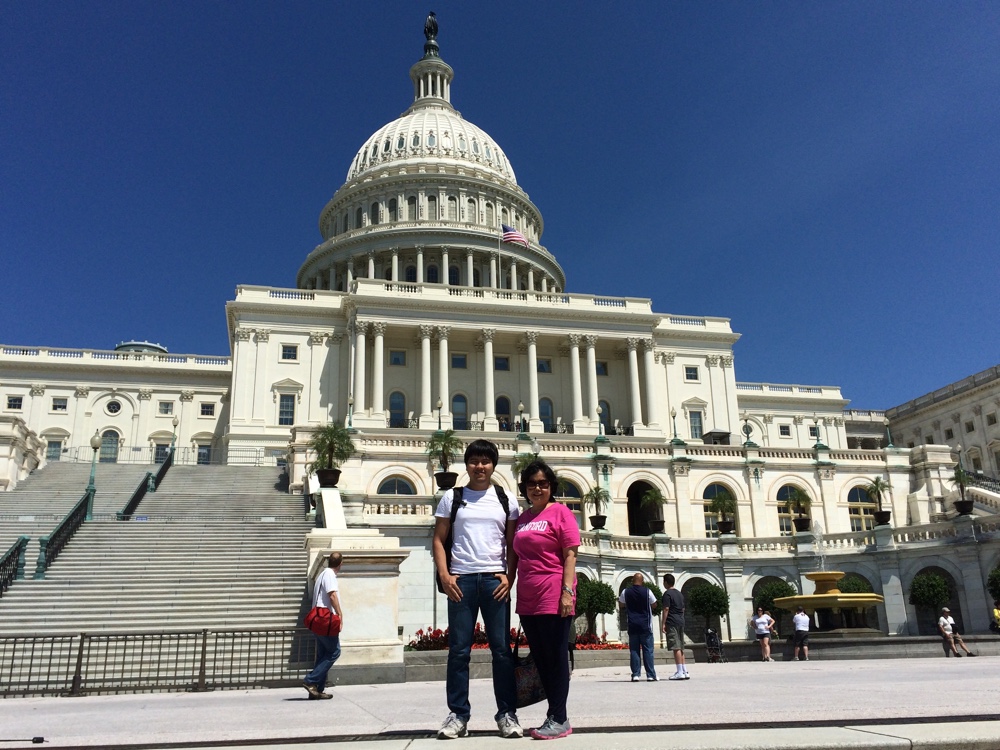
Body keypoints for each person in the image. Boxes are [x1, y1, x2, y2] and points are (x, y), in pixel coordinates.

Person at [433, 439, 521, 739]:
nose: (480, 466)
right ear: (467, 464)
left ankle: (507, 714)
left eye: (485, 461)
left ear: (494, 465)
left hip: (495, 581)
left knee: (501, 651)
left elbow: (512, 544)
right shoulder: (453, 497)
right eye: (474, 461)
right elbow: (438, 539)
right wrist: (445, 576)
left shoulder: (506, 498)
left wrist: (510, 576)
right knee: (458, 651)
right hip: (462, 581)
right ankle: (458, 714)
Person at [509, 460, 580, 740]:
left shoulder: (561, 512)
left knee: (555, 657)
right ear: (525, 488)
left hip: (553, 592)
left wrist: (567, 592)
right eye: (532, 484)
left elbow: (571, 555)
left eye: (543, 483)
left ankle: (559, 716)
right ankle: (554, 715)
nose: (537, 488)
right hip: (528, 596)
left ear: (551, 487)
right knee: (540, 658)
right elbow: (515, 555)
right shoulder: (524, 518)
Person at [303, 551, 343, 699]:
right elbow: (332, 595)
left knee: (322, 654)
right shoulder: (330, 575)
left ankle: (317, 690)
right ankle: (311, 680)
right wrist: (340, 614)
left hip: (317, 620)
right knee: (334, 652)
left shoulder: (321, 574)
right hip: (325, 620)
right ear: (340, 564)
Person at [619, 572, 658, 682]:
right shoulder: (647, 591)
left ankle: (635, 674)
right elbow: (654, 604)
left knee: (634, 650)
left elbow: (621, 604)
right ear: (643, 581)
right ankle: (650, 675)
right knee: (648, 650)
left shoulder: (626, 591)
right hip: (645, 625)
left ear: (632, 581)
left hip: (632, 624)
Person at [661, 573, 689, 680]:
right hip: (681, 620)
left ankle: (680, 672)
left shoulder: (667, 594)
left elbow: (666, 609)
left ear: (666, 583)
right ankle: (684, 670)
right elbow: (683, 609)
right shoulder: (679, 594)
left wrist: (663, 623)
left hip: (672, 621)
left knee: (676, 646)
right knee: (681, 646)